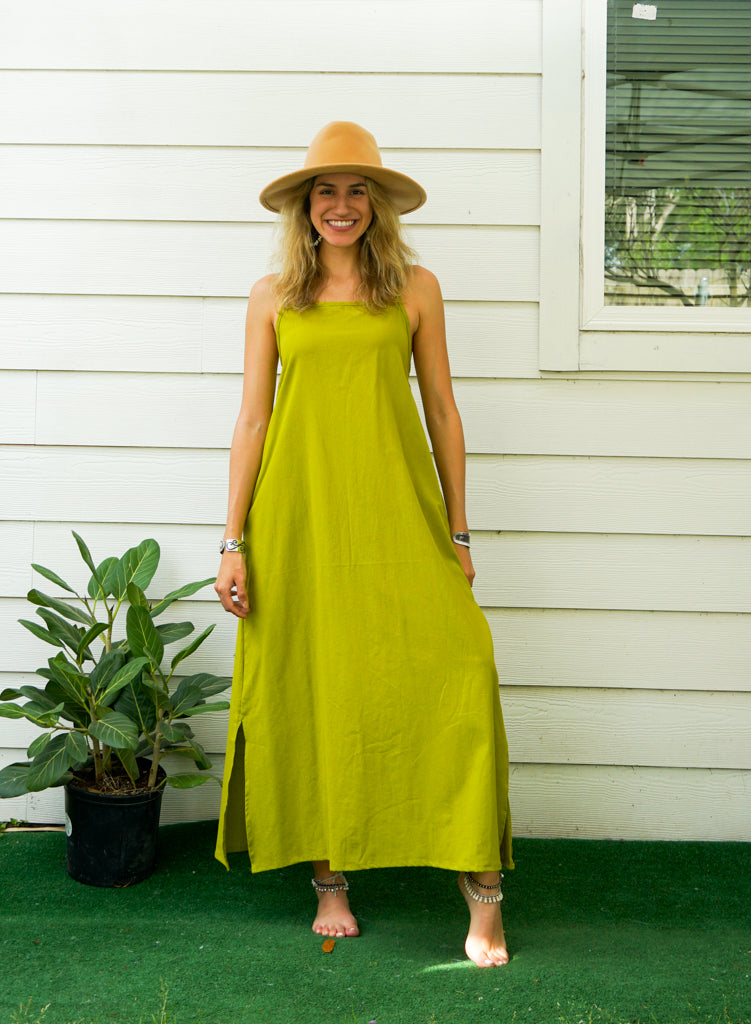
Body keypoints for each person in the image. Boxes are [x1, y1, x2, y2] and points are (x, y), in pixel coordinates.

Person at [213, 122, 513, 968]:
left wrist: (457, 529)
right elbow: (252, 418)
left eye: (355, 192)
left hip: (399, 517)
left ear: (376, 207)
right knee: (317, 686)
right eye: (325, 191)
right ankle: (330, 880)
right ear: (305, 210)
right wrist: (233, 539)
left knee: (458, 672)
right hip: (298, 520)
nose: (340, 206)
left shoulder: (415, 287)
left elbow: (443, 411)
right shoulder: (273, 296)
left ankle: (482, 890)